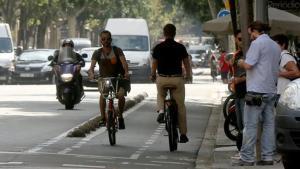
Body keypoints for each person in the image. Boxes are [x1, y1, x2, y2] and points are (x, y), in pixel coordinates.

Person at [233, 21, 281, 166]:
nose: (251, 37)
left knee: (251, 125)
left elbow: (249, 65)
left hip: (256, 91)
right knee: (268, 125)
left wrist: (240, 61)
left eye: (251, 33)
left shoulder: (257, 44)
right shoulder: (275, 46)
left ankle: (247, 157)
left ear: (255, 31)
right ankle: (267, 157)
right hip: (271, 90)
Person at [151, 23, 192, 143]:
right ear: (174, 33)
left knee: (161, 94)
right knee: (180, 107)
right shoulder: (180, 47)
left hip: (162, 78)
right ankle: (183, 134)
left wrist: (153, 75)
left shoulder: (158, 47)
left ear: (164, 34)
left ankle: (162, 111)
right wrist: (188, 75)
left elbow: (154, 63)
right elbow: (186, 63)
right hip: (177, 79)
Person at [88, 30, 130, 129]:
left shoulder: (117, 50)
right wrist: (91, 74)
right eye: (103, 39)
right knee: (103, 96)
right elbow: (92, 67)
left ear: (111, 40)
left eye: (108, 39)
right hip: (104, 80)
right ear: (100, 41)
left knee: (120, 95)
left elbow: (124, 64)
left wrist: (126, 72)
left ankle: (120, 116)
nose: (106, 41)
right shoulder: (97, 53)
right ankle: (103, 118)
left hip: (118, 80)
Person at [231, 30, 247, 150]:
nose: (241, 42)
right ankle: (243, 149)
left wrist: (240, 80)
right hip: (238, 92)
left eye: (243, 39)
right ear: (236, 40)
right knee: (239, 122)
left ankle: (246, 149)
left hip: (247, 92)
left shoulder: (249, 53)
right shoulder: (237, 55)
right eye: (239, 39)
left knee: (246, 122)